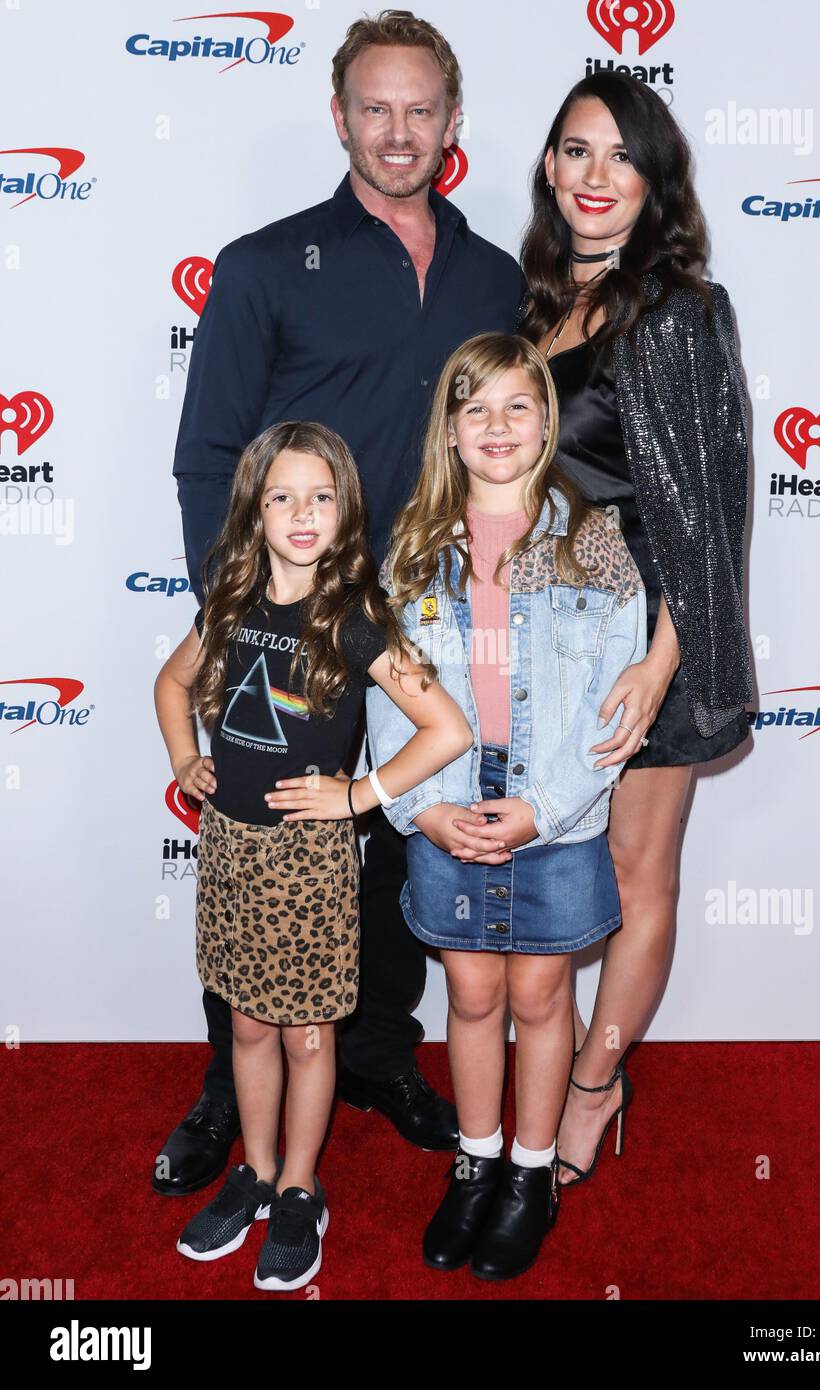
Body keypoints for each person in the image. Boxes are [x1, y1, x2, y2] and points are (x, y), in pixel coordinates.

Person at [161, 9, 524, 1194]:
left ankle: (373, 1054)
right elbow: (210, 455)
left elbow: (510, 440)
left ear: (453, 121)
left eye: (422, 108)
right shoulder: (264, 264)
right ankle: (232, 1088)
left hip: (423, 617)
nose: (400, 130)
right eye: (376, 106)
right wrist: (234, 623)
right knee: (267, 848)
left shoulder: (492, 274)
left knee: (382, 847)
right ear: (339, 116)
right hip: (288, 620)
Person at [154, 420, 473, 1290]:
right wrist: (186, 758)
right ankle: (254, 1173)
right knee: (249, 1026)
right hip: (228, 851)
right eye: (282, 496)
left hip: (311, 868)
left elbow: (447, 728)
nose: (302, 513)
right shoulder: (227, 597)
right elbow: (172, 682)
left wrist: (359, 795)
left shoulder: (358, 616)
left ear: (346, 509)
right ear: (254, 512)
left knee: (304, 1035)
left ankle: (300, 1188)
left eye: (321, 496)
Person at [365, 332, 648, 1280]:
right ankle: (476, 1159)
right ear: (449, 430)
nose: (497, 427)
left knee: (538, 991)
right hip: (448, 799)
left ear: (547, 421)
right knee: (474, 993)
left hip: (556, 807)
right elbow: (385, 691)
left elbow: (618, 698)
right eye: (475, 408)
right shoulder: (409, 545)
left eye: (518, 406)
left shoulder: (592, 538)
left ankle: (532, 1174)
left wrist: (547, 807)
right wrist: (425, 810)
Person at [518, 71, 753, 1185]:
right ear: (549, 168)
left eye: (620, 155)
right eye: (575, 151)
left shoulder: (681, 312)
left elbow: (708, 507)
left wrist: (665, 662)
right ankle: (539, 1076)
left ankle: (594, 1086)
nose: (594, 176)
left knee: (633, 867)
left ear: (654, 179)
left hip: (650, 627)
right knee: (558, 864)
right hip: (547, 631)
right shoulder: (528, 306)